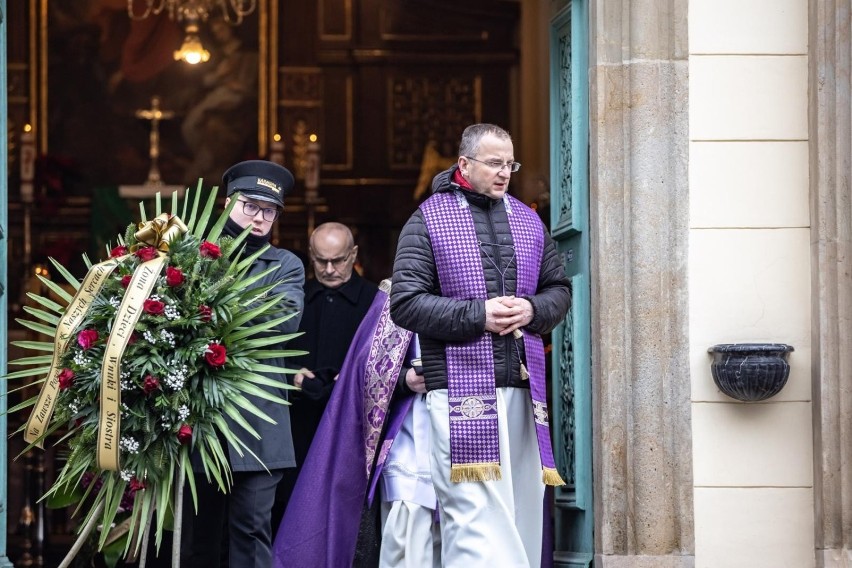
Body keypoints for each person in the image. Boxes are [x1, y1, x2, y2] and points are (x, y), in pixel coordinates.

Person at [390, 123, 572, 567]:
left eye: (510, 163)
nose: (505, 172)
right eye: (494, 163)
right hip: (457, 392)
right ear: (464, 164)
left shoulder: (529, 219)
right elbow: (406, 303)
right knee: (474, 519)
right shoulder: (428, 218)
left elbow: (559, 289)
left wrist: (531, 310)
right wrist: (479, 315)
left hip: (522, 392)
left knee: (520, 512)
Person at [181, 160, 305, 568]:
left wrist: (211, 307)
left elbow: (283, 319)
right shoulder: (192, 257)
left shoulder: (286, 265)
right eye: (250, 205)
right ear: (226, 202)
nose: (259, 217)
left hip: (261, 426)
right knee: (199, 538)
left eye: (269, 210)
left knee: (251, 532)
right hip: (202, 420)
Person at [272, 280, 440, 568]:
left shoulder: (485, 289)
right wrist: (404, 380)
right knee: (407, 530)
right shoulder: (397, 291)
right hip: (413, 434)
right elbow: (367, 367)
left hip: (469, 435)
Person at [273, 223, 378, 520]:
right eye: (321, 261)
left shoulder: (376, 302)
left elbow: (389, 362)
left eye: (339, 260)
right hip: (298, 427)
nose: (330, 269)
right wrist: (292, 376)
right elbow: (267, 357)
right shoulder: (292, 300)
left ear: (353, 254)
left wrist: (350, 379)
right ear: (310, 256)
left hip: (353, 428)